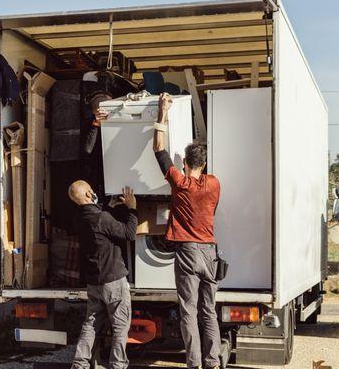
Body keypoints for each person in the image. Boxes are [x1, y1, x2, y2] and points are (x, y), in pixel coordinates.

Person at [153, 93, 226, 369]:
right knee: (209, 312)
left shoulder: (179, 183)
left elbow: (158, 150)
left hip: (187, 252)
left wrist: (163, 112)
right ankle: (212, 362)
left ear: (184, 162)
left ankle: (193, 364)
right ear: (204, 165)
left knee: (188, 311)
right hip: (209, 251)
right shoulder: (214, 183)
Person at [69, 180, 137, 369]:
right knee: (120, 327)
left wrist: (109, 207)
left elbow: (100, 223)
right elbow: (129, 233)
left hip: (94, 282)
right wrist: (132, 209)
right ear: (89, 195)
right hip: (113, 279)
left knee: (90, 324)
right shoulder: (101, 218)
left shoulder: (79, 218)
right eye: (91, 191)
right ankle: (118, 365)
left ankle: (79, 364)